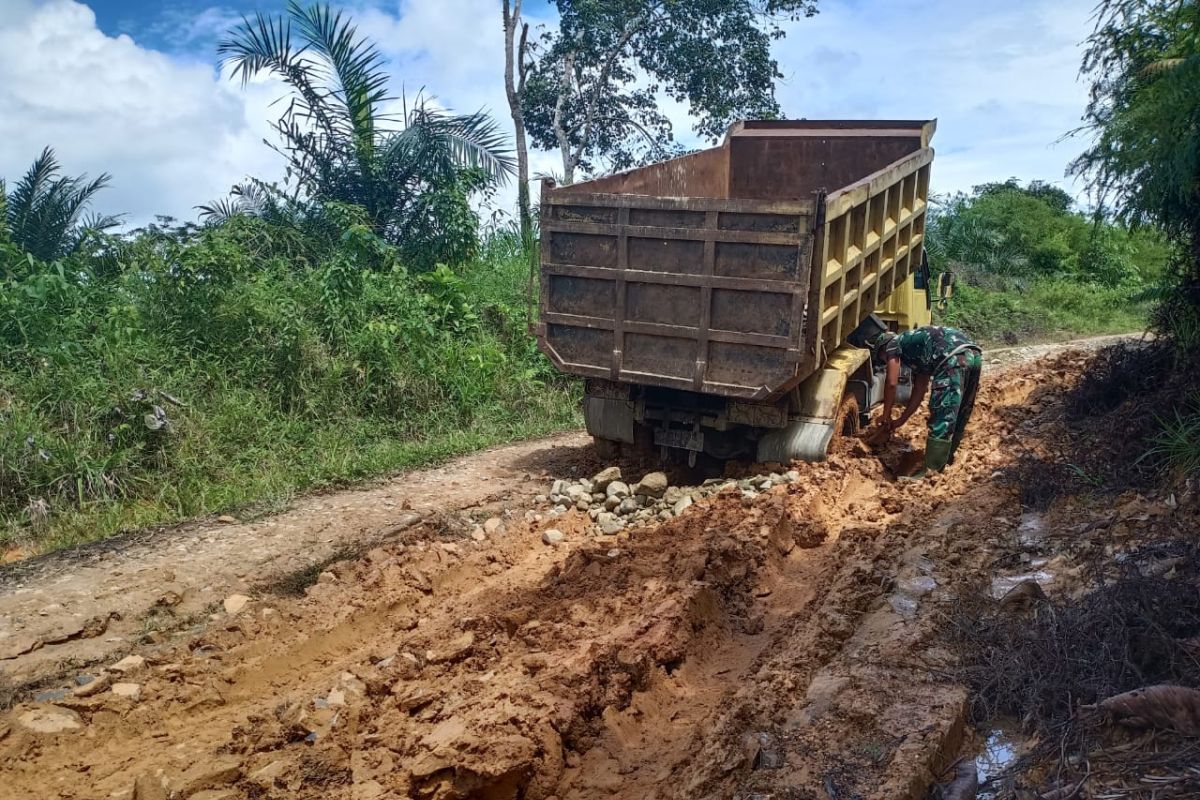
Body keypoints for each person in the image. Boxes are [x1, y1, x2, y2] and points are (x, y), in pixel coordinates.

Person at [865, 325, 982, 477]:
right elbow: (919, 389)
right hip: (973, 354)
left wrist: (885, 415)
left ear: (882, 350)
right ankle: (946, 461)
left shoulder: (893, 344)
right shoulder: (920, 354)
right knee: (960, 410)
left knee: (943, 412)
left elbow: (891, 382)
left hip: (952, 358)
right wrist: (901, 420)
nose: (885, 361)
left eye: (882, 359)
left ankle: (931, 471)